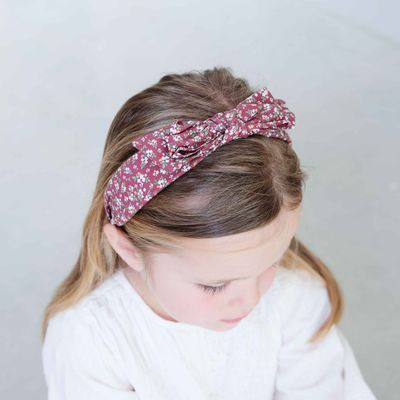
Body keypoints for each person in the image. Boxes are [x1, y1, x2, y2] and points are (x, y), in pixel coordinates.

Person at [40, 67, 377, 399]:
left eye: (271, 263)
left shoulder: (296, 297)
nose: (250, 299)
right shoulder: (91, 339)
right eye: (214, 285)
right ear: (129, 248)